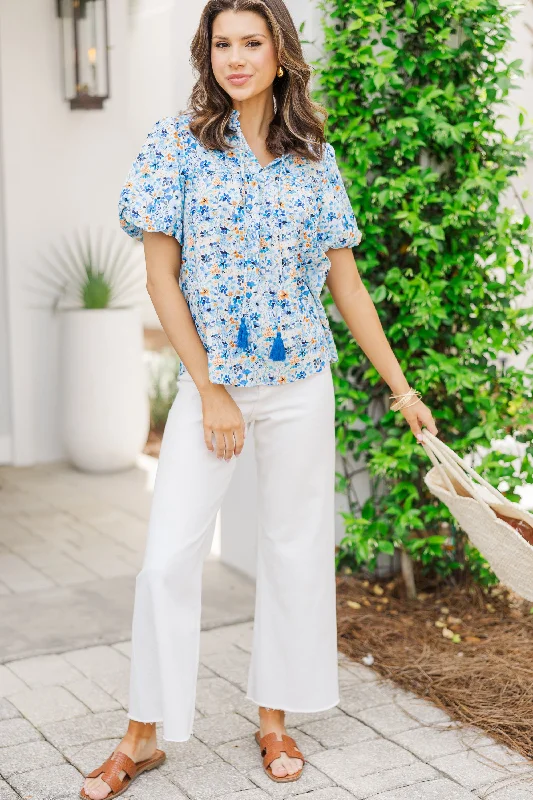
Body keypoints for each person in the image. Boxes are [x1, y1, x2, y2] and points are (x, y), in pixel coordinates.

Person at [81, 0, 438, 796]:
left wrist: (400, 388)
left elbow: (345, 285)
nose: (234, 58)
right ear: (204, 55)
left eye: (251, 42)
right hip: (216, 390)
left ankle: (272, 718)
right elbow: (160, 280)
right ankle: (142, 737)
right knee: (168, 558)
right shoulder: (174, 146)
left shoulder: (314, 156)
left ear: (280, 54)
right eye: (221, 45)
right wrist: (210, 391)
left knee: (292, 549)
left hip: (302, 382)